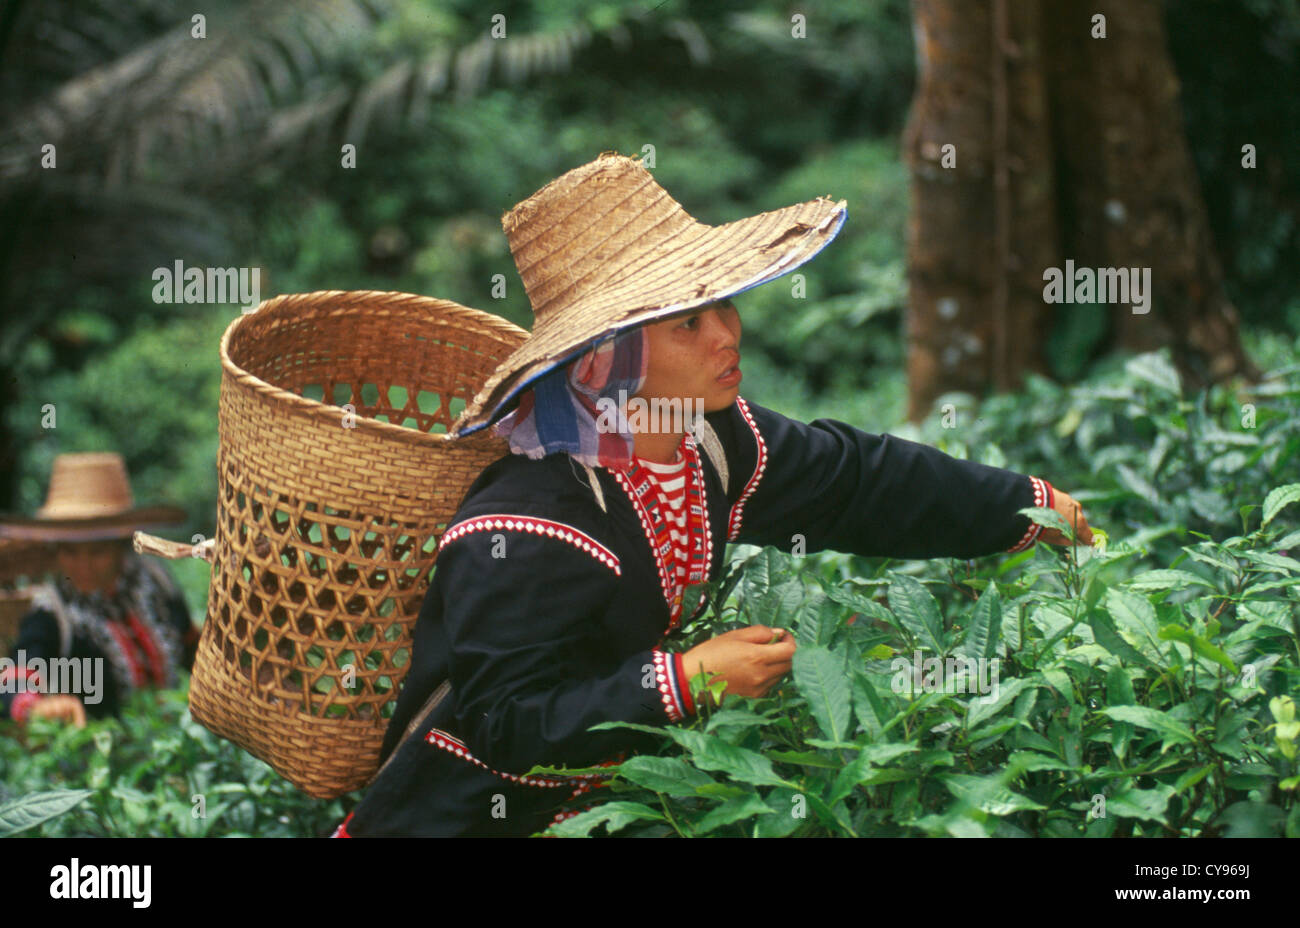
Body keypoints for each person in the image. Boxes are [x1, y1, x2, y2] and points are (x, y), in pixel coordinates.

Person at [334, 153, 1092, 837]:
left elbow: (858, 483)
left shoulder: (708, 439)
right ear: (606, 360)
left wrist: (1022, 507)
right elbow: (511, 720)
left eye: (721, 305)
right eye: (688, 322)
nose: (726, 334)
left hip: (618, 799)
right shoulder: (523, 523)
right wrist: (685, 679)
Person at [0, 453, 198, 727]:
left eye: (98, 551)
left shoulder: (156, 582)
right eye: (70, 551)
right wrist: (35, 705)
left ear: (120, 544)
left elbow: (192, 647)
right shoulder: (52, 613)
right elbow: (17, 673)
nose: (84, 565)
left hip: (180, 739)